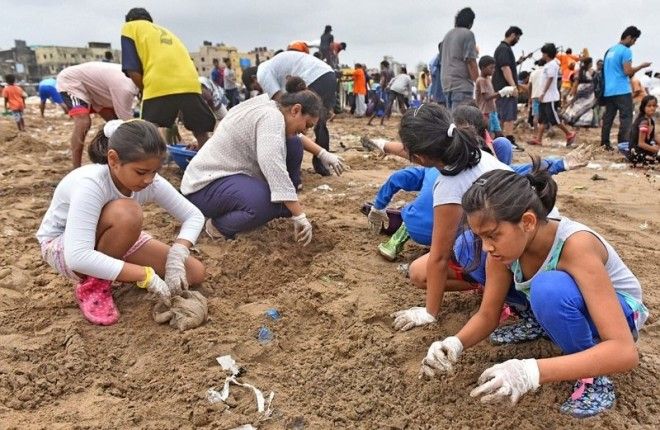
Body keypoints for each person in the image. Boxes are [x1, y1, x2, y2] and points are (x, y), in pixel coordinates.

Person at [419, 165, 648, 418]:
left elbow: (624, 351)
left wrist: (531, 371)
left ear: (527, 222)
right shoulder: (505, 250)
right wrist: (454, 343)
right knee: (472, 252)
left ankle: (594, 377)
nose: (486, 247)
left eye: (492, 235)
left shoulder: (575, 246)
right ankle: (546, 322)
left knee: (548, 290)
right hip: (570, 300)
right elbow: (487, 315)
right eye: (481, 237)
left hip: (620, 315)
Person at [365, 104, 589, 262]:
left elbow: (400, 171)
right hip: (454, 242)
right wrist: (561, 164)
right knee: (475, 221)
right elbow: (519, 171)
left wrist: (378, 204)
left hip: (418, 228)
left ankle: (396, 240)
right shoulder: (486, 167)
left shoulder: (434, 167)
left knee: (412, 210)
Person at [35, 120, 206, 326]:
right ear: (114, 160)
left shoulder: (150, 181)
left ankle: (112, 267)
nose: (149, 180)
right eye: (141, 172)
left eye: (155, 171)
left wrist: (177, 256)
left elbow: (194, 216)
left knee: (194, 273)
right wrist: (144, 275)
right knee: (128, 212)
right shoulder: (92, 184)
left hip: (116, 236)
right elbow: (78, 257)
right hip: (64, 246)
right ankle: (94, 284)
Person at [182, 77, 343, 241]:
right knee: (267, 203)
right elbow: (272, 165)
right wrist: (299, 215)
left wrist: (322, 153)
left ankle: (258, 205)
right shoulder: (271, 118)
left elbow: (297, 137)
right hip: (203, 187)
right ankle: (218, 226)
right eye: (307, 125)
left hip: (229, 178)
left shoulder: (274, 109)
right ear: (295, 110)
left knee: (293, 146)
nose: (305, 131)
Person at [121, 7, 216, 148]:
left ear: (129, 20)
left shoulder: (129, 28)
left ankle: (152, 167)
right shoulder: (168, 33)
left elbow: (132, 69)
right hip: (191, 84)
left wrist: (143, 90)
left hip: (159, 84)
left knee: (149, 131)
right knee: (200, 131)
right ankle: (208, 164)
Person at [256, 50, 337, 176]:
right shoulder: (275, 68)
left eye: (256, 87)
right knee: (319, 124)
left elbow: (283, 104)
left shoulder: (262, 73)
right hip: (329, 75)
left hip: (315, 77)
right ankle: (322, 163)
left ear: (253, 79)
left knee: (293, 127)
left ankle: (309, 166)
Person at [57, 62, 139, 168]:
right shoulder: (126, 88)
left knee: (112, 122)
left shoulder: (130, 82)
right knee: (83, 122)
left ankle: (108, 159)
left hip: (96, 89)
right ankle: (76, 168)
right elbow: (127, 123)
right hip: (72, 82)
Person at [601, 26, 651, 151]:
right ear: (628, 37)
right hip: (622, 90)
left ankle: (604, 143)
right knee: (626, 118)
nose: (634, 43)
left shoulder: (610, 50)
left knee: (608, 118)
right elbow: (627, 71)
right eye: (634, 40)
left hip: (609, 90)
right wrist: (641, 66)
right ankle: (623, 144)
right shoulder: (626, 51)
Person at [528, 43, 576, 146]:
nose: (542, 56)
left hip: (550, 97)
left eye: (543, 53)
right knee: (543, 119)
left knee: (554, 119)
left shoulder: (553, 65)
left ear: (547, 54)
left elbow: (549, 79)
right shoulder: (548, 65)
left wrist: (543, 93)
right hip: (545, 97)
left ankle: (569, 133)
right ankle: (539, 139)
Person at [440, 7, 478, 110]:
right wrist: (478, 83)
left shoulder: (448, 35)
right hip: (462, 85)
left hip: (446, 84)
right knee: (461, 121)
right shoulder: (468, 34)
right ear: (470, 22)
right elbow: (470, 61)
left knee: (451, 120)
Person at [493, 26, 523, 147]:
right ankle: (508, 140)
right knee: (508, 115)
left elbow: (508, 66)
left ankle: (500, 139)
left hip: (502, 88)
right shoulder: (504, 49)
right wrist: (513, 86)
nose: (517, 40)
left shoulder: (503, 49)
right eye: (517, 37)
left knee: (502, 115)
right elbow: (505, 68)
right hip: (505, 88)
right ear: (512, 35)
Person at [476, 56, 514, 138]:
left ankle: (495, 148)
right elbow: (486, 97)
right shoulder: (481, 80)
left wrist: (502, 93)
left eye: (494, 68)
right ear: (483, 68)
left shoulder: (488, 79)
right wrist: (501, 92)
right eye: (491, 68)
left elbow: (492, 95)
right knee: (489, 132)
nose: (493, 70)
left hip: (492, 111)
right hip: (485, 112)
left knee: (498, 132)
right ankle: (489, 149)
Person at [623, 95, 659, 166]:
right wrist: (656, 150)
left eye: (654, 106)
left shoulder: (651, 121)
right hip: (636, 153)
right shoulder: (644, 122)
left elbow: (655, 137)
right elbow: (641, 143)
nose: (652, 108)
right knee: (655, 159)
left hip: (644, 150)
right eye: (649, 106)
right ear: (643, 107)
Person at [562, 57, 597, 127]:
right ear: (590, 63)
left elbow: (576, 83)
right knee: (587, 106)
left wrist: (572, 91)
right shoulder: (592, 72)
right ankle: (583, 122)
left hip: (581, 89)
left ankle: (573, 119)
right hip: (589, 91)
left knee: (578, 105)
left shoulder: (579, 71)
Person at [527, 59, 546, 129]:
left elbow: (529, 86)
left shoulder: (533, 73)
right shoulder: (546, 72)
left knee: (536, 115)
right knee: (545, 115)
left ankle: (535, 130)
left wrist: (529, 97)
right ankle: (544, 131)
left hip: (534, 96)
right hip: (544, 97)